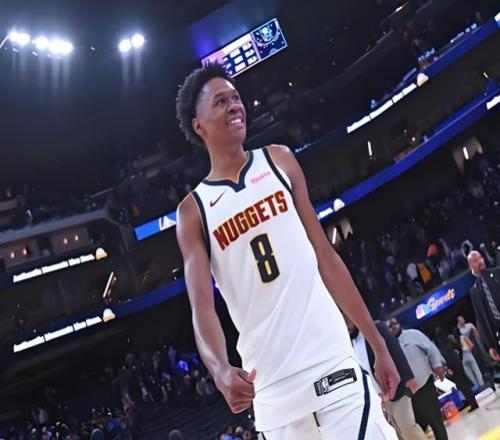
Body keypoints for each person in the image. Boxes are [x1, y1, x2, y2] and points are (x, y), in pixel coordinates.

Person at [175, 63, 399, 438]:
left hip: (331, 362)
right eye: (220, 102)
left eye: (236, 98)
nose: (234, 106)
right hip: (272, 393)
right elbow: (202, 308)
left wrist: (377, 342)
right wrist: (219, 369)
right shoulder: (193, 212)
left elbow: (326, 256)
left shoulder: (278, 160)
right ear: (199, 126)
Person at [346, 317, 427, 440]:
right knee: (396, 434)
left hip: (396, 389)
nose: (347, 326)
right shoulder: (351, 344)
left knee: (409, 429)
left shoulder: (376, 328)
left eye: (348, 321)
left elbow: (396, 351)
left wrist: (409, 378)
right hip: (377, 398)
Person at [387, 318, 448, 440]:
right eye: (389, 326)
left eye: (394, 324)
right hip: (406, 393)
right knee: (416, 426)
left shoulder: (413, 335)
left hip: (424, 384)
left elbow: (431, 349)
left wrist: (437, 366)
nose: (393, 327)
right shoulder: (387, 347)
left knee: (435, 420)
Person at [434, 328, 479, 412]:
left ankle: (472, 403)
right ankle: (473, 401)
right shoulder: (450, 341)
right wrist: (460, 358)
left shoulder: (441, 347)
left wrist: (449, 368)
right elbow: (459, 347)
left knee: (462, 385)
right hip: (458, 363)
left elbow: (446, 358)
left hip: (453, 367)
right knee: (465, 382)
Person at [467, 250, 500, 362]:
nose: (480, 261)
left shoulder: (497, 273)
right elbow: (481, 319)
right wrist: (490, 346)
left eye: (480, 258)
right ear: (471, 266)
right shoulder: (474, 291)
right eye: (475, 260)